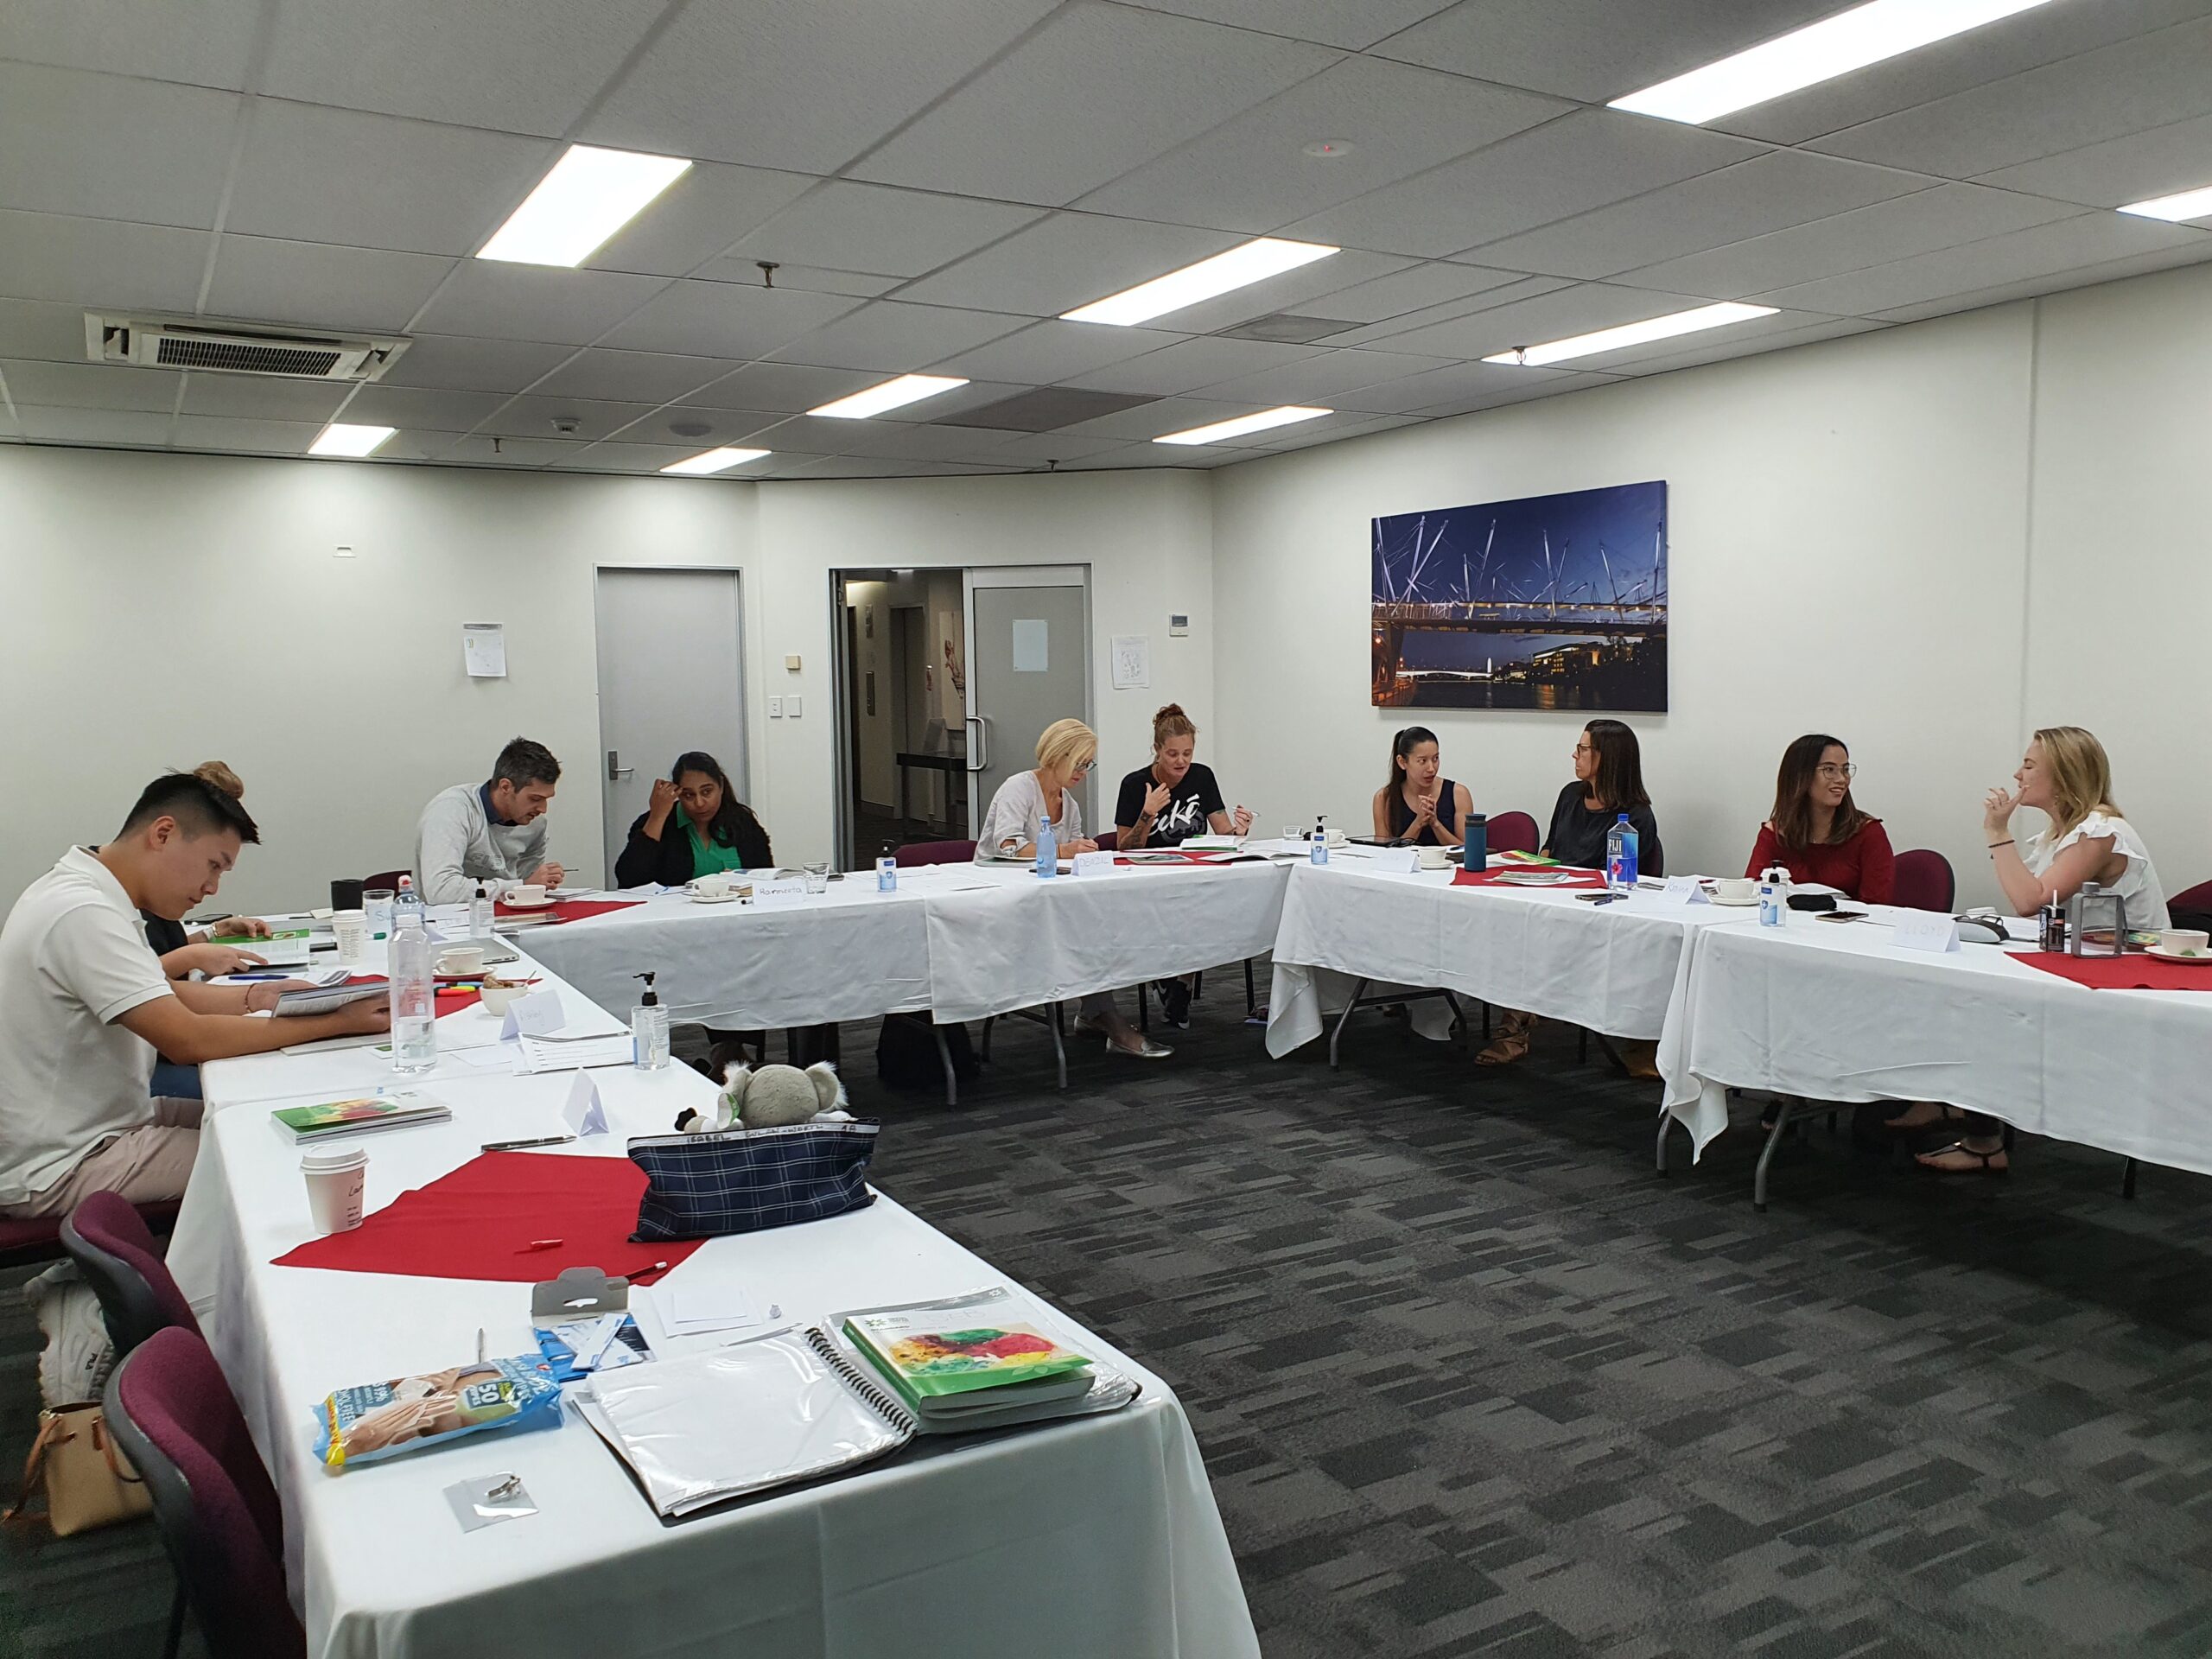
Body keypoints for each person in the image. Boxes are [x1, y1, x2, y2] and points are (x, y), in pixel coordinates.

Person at [0, 774, 391, 1217]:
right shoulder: (82, 911)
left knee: (284, 1117)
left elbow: (161, 992)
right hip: (64, 1162)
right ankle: (99, 1280)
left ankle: (99, 1271)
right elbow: (188, 1040)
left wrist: (262, 996)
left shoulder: (91, 893)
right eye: (214, 865)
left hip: (104, 1121)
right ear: (163, 834)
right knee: (289, 1157)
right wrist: (337, 1023)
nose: (213, 888)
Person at [1905, 728, 2170, 1176]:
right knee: (1967, 993)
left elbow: (2032, 900)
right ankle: (1952, 1105)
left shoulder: (2101, 832)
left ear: (2064, 774)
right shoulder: (2061, 835)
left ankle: (1978, 1131)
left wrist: (1996, 831)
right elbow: (2031, 907)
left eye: (2029, 765)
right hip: (2084, 965)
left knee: (1985, 1007)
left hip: (2129, 979)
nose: (2017, 773)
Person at [976, 719, 1168, 1059]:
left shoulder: (1071, 805)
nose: (1084, 771)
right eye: (1080, 763)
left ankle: (1098, 1012)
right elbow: (1007, 846)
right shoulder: (1018, 789)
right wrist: (1065, 851)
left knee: (1096, 923)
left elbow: (1069, 854)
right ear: (1057, 756)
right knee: (1086, 930)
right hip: (1002, 896)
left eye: (1088, 764)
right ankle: (1104, 1016)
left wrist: (1085, 855)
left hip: (1048, 894)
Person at [1478, 719, 1663, 1071]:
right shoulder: (1570, 795)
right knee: (1507, 920)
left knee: (1532, 934)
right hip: (1554, 894)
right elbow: (1551, 849)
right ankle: (1520, 1016)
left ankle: (1515, 1026)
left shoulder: (1636, 815)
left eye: (1582, 749)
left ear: (1606, 758)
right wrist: (1523, 868)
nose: (1574, 755)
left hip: (1600, 909)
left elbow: (1625, 878)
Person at [1115, 704, 1254, 1027]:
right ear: (1157, 751)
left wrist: (1240, 830)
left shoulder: (1202, 777)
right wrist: (1148, 813)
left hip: (1193, 871)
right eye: (1173, 754)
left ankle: (1179, 984)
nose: (1181, 762)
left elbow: (1223, 834)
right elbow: (1124, 847)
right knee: (1187, 912)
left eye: (1187, 754)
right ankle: (1174, 984)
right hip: (1147, 874)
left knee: (1205, 909)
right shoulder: (1136, 785)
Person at [1744, 734, 1895, 903]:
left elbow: (1876, 907)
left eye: (1845, 769)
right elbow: (1753, 895)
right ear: (1801, 776)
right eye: (1829, 770)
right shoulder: (1775, 834)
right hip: (1788, 926)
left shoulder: (1868, 833)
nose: (1842, 779)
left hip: (1848, 927)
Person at [415, 736, 564, 904]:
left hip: (511, 918)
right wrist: (517, 887)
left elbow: (528, 886)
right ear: (506, 787)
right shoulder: (451, 810)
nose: (543, 809)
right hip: (451, 923)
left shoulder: (535, 823)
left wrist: (539, 882)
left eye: (547, 799)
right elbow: (442, 891)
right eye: (535, 799)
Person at [615, 751, 772, 887]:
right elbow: (629, 880)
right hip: (675, 914)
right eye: (689, 795)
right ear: (678, 794)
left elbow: (766, 874)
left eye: (707, 792)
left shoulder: (741, 820)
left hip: (735, 909)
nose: (699, 803)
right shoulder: (658, 820)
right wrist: (657, 817)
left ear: (721, 787)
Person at [1370, 727, 1475, 848]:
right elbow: (1384, 853)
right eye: (1422, 761)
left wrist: (1435, 823)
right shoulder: (1384, 798)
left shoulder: (1459, 794)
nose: (1431, 768)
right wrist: (1418, 823)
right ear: (1402, 762)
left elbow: (1468, 850)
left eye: (1435, 759)